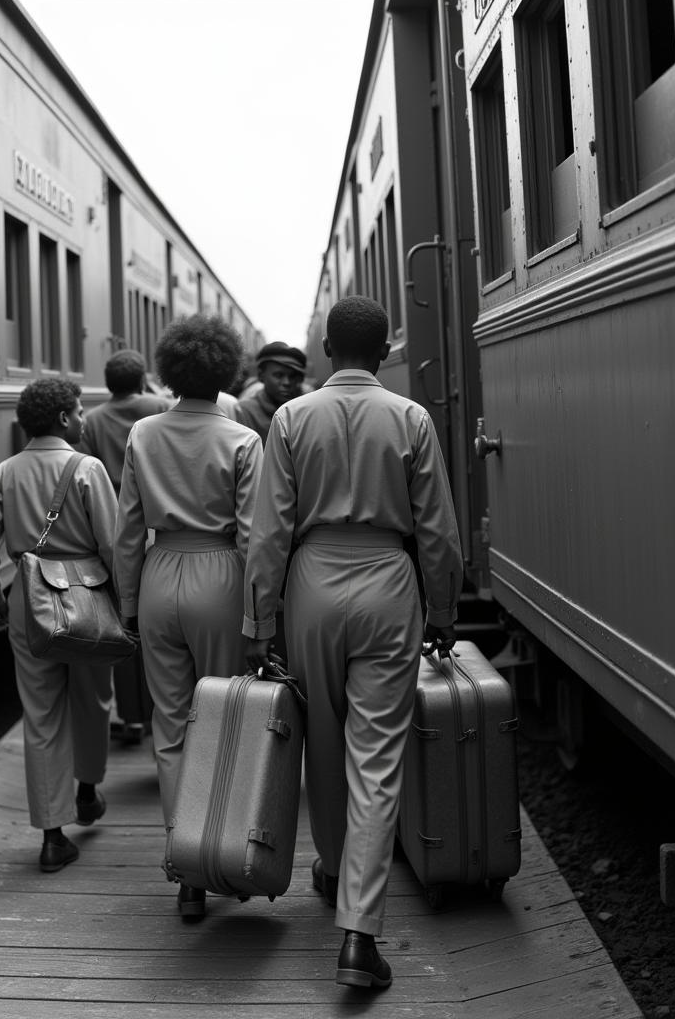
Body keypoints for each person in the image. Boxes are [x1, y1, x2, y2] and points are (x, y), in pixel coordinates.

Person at [243, 296, 462, 989]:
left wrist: (261, 622)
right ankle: (359, 936)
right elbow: (439, 532)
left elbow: (268, 531)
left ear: (330, 350)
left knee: (324, 740)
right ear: (384, 347)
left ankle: (333, 866)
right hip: (388, 584)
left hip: (310, 582)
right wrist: (444, 608)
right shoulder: (410, 418)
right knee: (377, 757)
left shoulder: (289, 418)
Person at [114, 314, 263, 921]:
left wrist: (127, 603)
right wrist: (260, 617)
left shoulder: (144, 434)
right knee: (223, 721)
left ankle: (185, 871)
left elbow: (127, 529)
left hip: (159, 573)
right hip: (221, 575)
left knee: (170, 727)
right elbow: (254, 537)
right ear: (227, 372)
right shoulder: (240, 440)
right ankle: (217, 855)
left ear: (170, 372)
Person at [0, 378, 118, 874]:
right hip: (88, 596)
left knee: (40, 714)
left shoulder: (5, 471)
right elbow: (112, 545)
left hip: (27, 600)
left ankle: (53, 838)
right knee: (94, 697)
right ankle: (86, 791)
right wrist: (128, 604)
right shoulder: (87, 468)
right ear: (62, 418)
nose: (83, 419)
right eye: (79, 412)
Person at [79, 350, 169, 745]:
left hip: (115, 527)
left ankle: (131, 717)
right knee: (161, 629)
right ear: (140, 380)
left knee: (123, 622)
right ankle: (159, 712)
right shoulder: (161, 406)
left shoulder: (94, 418)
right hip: (160, 524)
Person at [79, 350, 170, 494]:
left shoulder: (91, 420)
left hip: (113, 504)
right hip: (156, 500)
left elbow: (85, 470)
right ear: (142, 382)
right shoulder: (163, 407)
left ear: (108, 383)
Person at [235, 341, 308, 445]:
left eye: (292, 377)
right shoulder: (245, 411)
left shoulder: (305, 411)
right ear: (261, 376)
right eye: (278, 375)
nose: (286, 382)